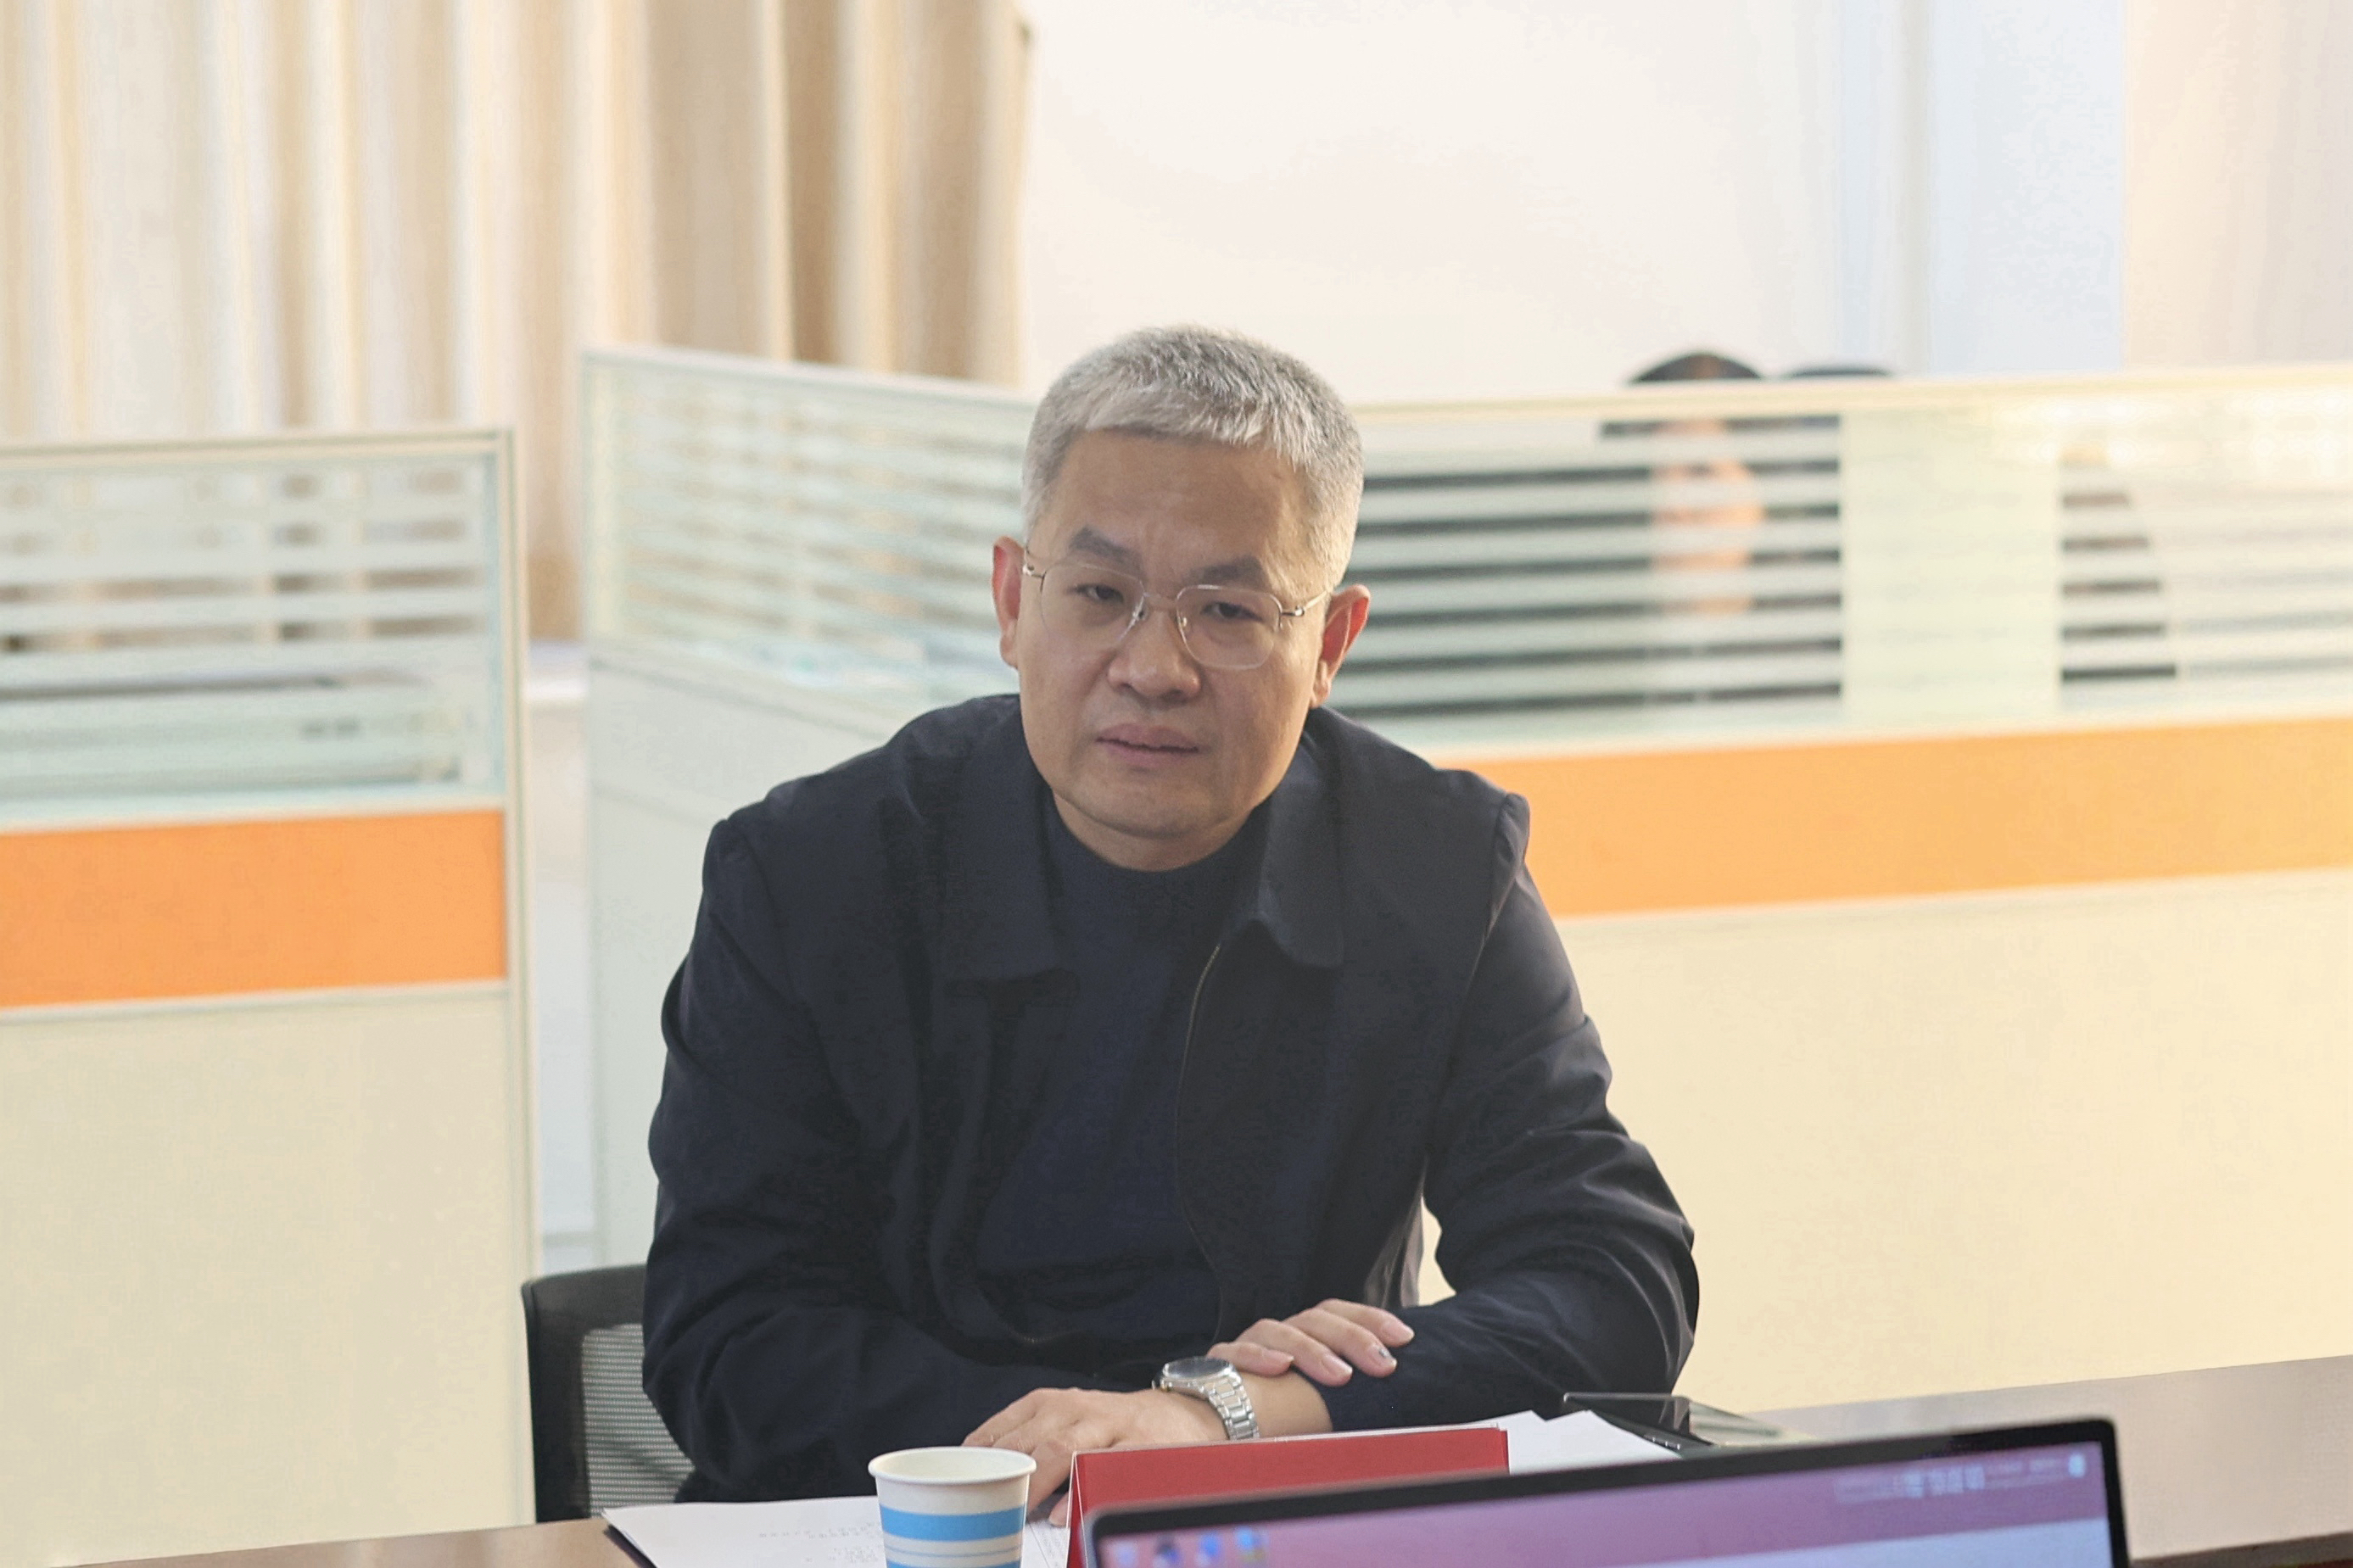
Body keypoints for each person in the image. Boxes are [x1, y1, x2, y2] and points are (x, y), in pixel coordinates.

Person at [641, 326, 1698, 1519]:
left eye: (1229, 610)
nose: (1154, 667)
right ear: (1012, 601)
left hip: (1264, 1528)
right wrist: (1092, 1445)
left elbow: (1613, 1282)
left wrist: (1218, 1418)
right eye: (1100, 595)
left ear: (1329, 645)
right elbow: (724, 1338)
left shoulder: (1438, 868)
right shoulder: (811, 873)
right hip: (908, 1529)